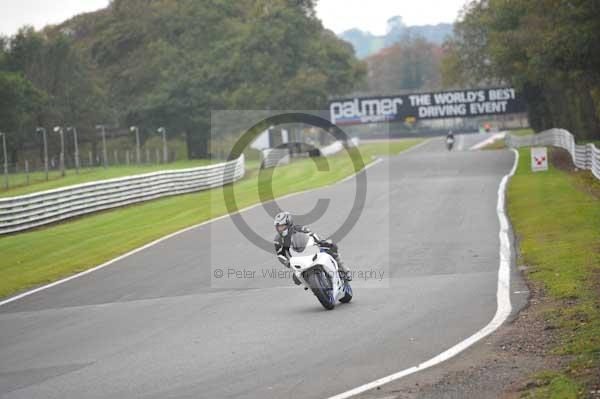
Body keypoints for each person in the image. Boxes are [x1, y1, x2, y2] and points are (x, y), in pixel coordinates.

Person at [273, 211, 351, 283]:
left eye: (282, 226)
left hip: (310, 250)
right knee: (296, 280)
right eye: (278, 227)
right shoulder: (278, 240)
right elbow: (280, 254)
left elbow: (312, 234)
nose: (280, 229)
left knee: (331, 247)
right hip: (297, 259)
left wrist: (321, 242)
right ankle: (314, 286)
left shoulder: (299, 228)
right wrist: (287, 263)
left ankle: (344, 268)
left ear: (289, 223)